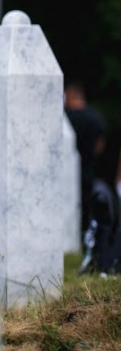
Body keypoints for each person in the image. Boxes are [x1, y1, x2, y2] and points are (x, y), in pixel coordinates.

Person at [64, 80, 108, 241]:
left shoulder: (65, 119)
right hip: (89, 170)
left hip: (67, 175)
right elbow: (99, 147)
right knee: (88, 210)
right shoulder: (96, 118)